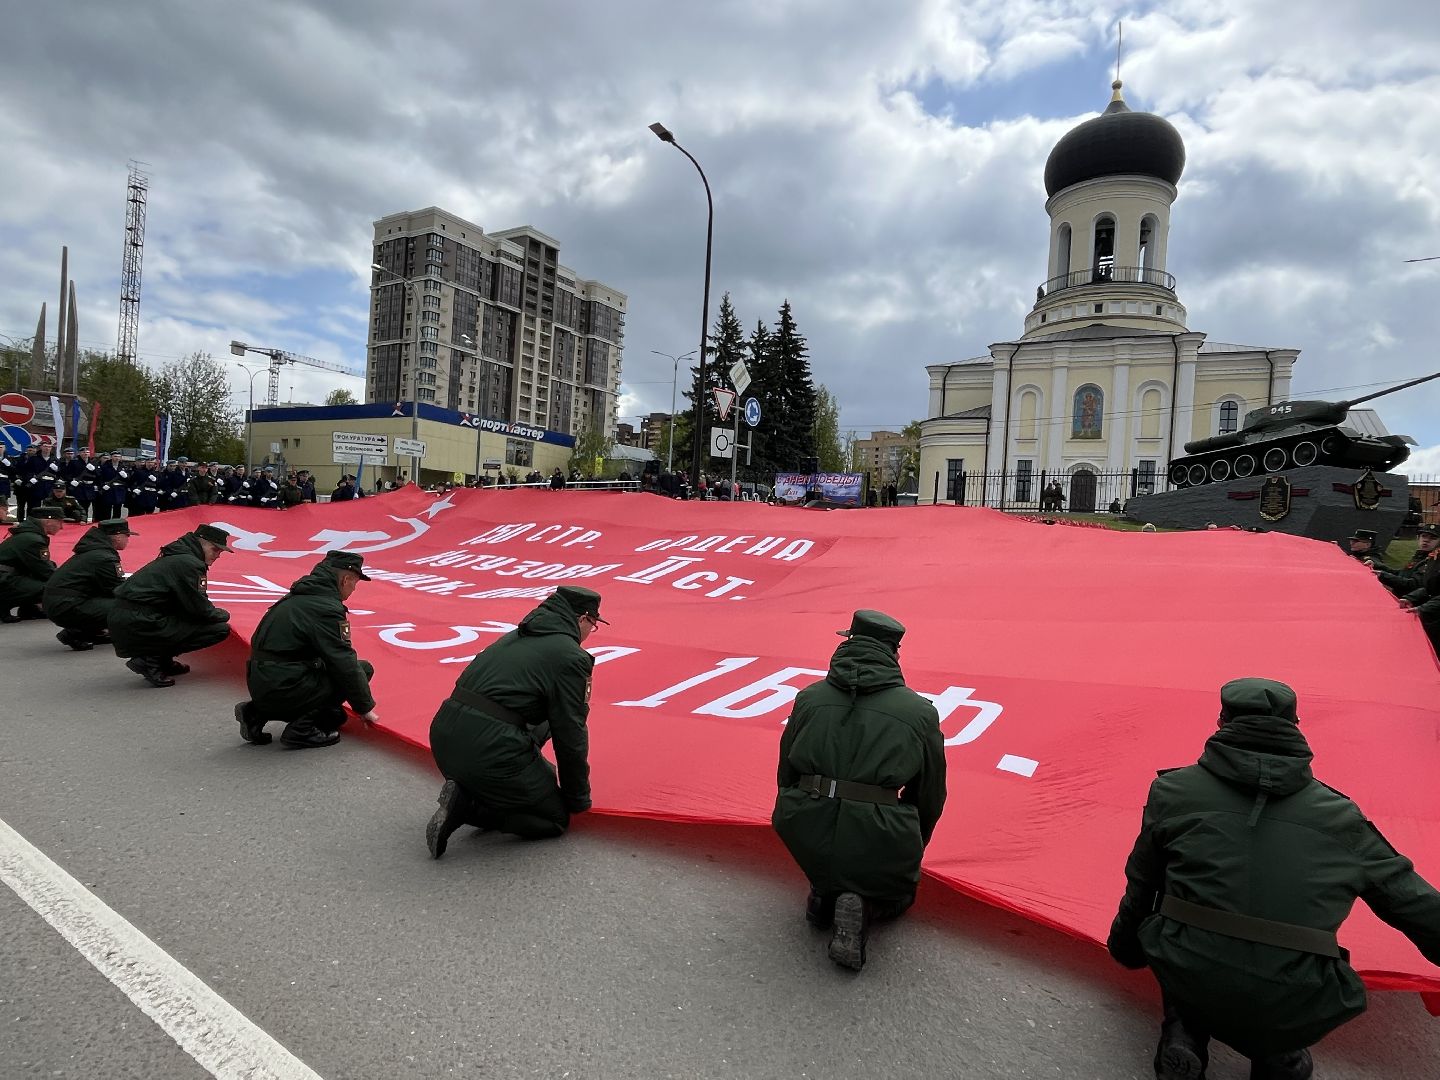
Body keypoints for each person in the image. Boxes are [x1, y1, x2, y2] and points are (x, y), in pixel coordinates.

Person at [1108, 677, 1440, 1080]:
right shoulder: (1341, 817)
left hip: (1190, 966)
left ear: (1222, 721)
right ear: (1295, 727)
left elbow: (1142, 883)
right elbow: (1412, 901)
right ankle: (1279, 1054)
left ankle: (1184, 1031)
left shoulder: (1173, 791)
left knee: (1186, 922)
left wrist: (1126, 949)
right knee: (1284, 992)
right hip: (1291, 988)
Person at [771, 610, 947, 972]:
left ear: (848, 642)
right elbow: (929, 793)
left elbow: (786, 770)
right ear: (894, 653)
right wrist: (911, 845)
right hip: (878, 828)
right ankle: (864, 907)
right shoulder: (919, 712)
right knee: (900, 892)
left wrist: (793, 810)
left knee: (826, 854)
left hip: (804, 818)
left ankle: (823, 893)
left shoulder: (809, 698)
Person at [425, 586, 604, 856]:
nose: (591, 631)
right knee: (553, 818)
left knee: (542, 715)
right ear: (583, 619)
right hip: (488, 750)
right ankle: (468, 807)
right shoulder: (570, 657)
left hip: (445, 739)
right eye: (593, 624)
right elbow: (570, 732)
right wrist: (576, 797)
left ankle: (478, 787)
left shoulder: (514, 636)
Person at [235, 551, 379, 749]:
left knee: (335, 716)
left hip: (263, 683)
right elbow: (342, 660)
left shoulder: (298, 596)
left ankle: (255, 714)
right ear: (345, 579)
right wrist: (364, 707)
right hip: (283, 685)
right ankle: (301, 730)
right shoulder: (325, 608)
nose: (354, 589)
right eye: (355, 582)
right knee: (363, 669)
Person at [109, 523, 234, 687]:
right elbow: (199, 608)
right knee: (219, 629)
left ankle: (162, 660)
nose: (217, 556)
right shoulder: (189, 563)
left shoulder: (179, 555)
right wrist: (222, 614)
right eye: (215, 550)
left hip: (128, 617)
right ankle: (150, 660)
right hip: (139, 621)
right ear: (201, 543)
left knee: (186, 620)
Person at [44, 518, 133, 650]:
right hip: (66, 605)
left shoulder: (94, 551)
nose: (128, 540)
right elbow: (117, 589)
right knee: (127, 606)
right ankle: (76, 632)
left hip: (59, 602)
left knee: (108, 600)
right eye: (127, 536)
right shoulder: (105, 557)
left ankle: (91, 631)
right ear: (118, 536)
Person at [0, 506, 64, 622]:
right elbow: (45, 570)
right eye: (59, 522)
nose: (61, 527)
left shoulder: (28, 534)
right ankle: (4, 604)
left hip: (6, 576)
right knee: (53, 588)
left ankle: (29, 608)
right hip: (5, 580)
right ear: (48, 522)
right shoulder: (33, 539)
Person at [1375, 523, 1437, 596]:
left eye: (1433, 538)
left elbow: (1413, 585)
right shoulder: (1420, 556)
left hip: (1411, 600)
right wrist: (1377, 566)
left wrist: (1383, 576)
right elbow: (1402, 574)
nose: (1426, 540)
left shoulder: (1434, 560)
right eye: (1424, 536)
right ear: (1418, 538)